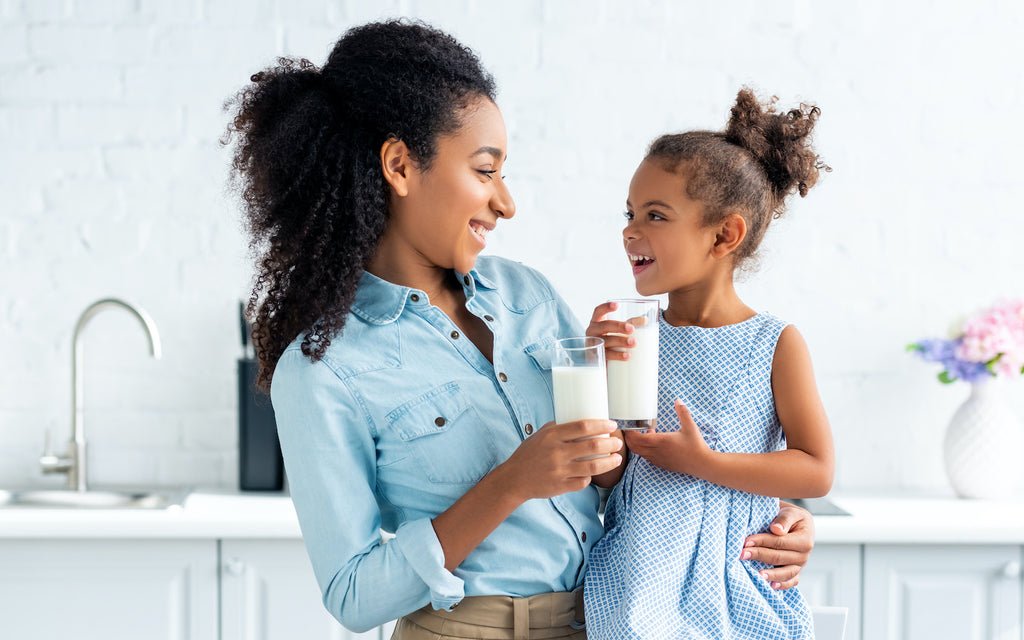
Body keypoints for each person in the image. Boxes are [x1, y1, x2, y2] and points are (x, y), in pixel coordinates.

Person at [225, 20, 817, 640]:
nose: (506, 203)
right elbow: (351, 595)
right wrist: (510, 484)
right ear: (399, 165)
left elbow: (616, 478)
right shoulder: (322, 369)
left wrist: (767, 518)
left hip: (606, 618)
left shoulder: (526, 295)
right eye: (486, 171)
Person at [582, 89, 835, 639]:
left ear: (724, 234)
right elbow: (612, 474)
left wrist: (703, 461)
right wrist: (593, 380)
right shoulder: (634, 334)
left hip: (734, 582)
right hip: (634, 580)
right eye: (630, 213)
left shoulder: (775, 342)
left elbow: (816, 469)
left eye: (655, 215)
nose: (630, 230)